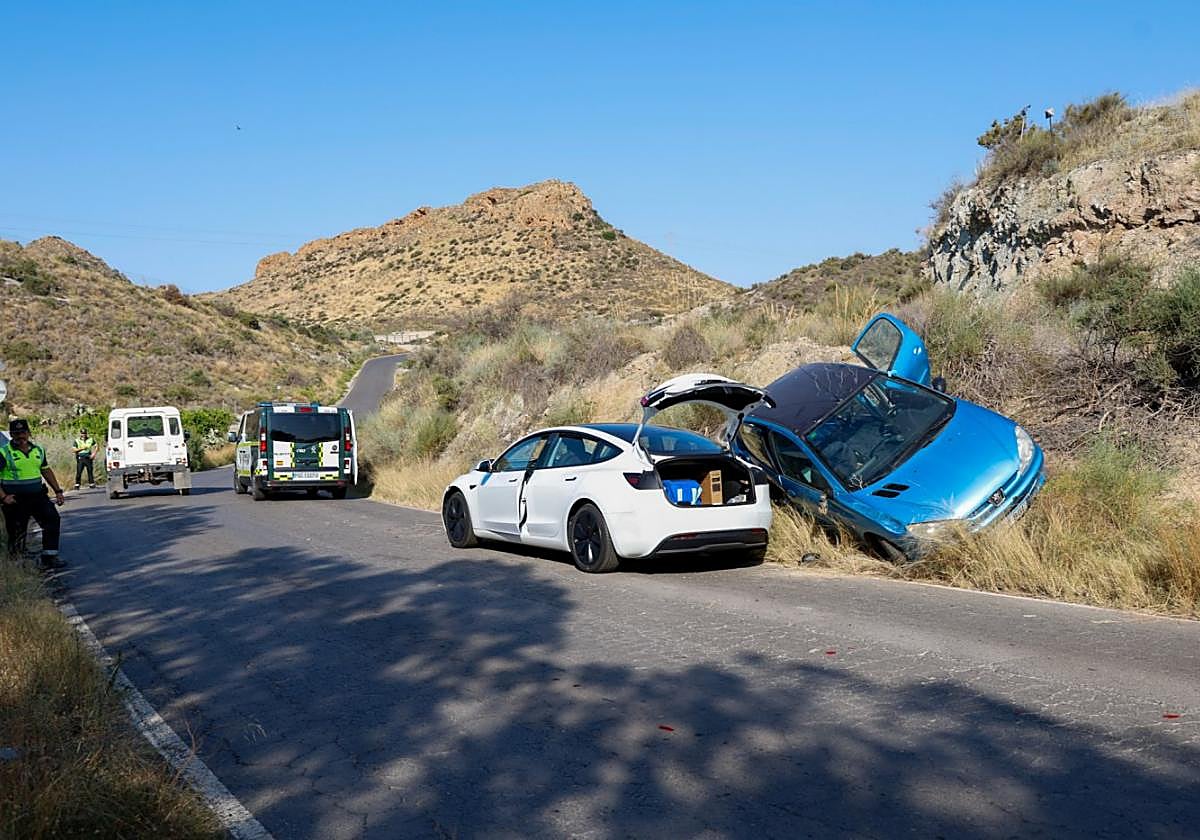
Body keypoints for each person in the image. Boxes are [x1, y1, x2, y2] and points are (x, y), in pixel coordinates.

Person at [0, 418, 66, 570]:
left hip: (37, 496)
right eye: (16, 434)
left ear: (29, 433)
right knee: (17, 531)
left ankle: (49, 557)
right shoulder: (4, 452)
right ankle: (17, 565)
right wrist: (3, 497)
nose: (20, 436)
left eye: (23, 432)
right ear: (11, 434)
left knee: (52, 519)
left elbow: (46, 470)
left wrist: (58, 491)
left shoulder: (38, 450)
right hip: (14, 500)